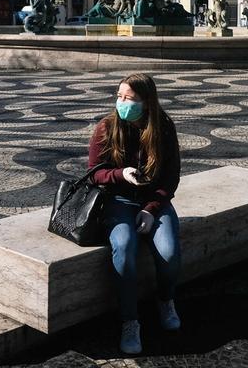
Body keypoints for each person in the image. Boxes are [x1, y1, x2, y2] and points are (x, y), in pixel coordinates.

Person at [88, 73, 181, 354]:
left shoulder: (163, 127)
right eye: (119, 96)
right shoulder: (107, 127)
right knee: (124, 248)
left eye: (129, 98)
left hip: (154, 201)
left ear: (147, 102)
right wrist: (120, 174)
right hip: (118, 201)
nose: (122, 102)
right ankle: (130, 321)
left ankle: (166, 300)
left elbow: (171, 178)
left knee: (168, 253)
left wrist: (152, 210)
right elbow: (94, 174)